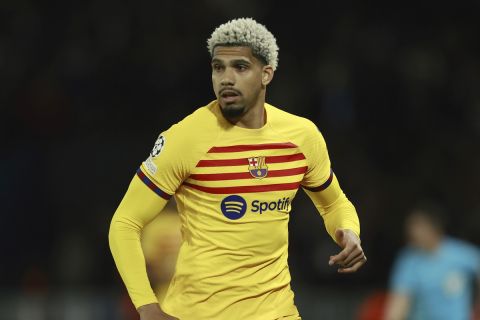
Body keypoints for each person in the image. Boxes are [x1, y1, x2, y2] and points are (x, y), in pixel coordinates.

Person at [109, 18, 366, 320]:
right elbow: (125, 223)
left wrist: (349, 232)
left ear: (266, 74)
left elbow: (334, 202)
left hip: (277, 312)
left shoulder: (302, 136)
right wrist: (147, 306)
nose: (226, 78)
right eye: (218, 67)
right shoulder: (184, 139)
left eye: (240, 67)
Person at [384, 201, 480, 320]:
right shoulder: (408, 261)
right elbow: (399, 303)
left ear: (434, 227)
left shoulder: (461, 254)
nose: (411, 232)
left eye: (417, 226)